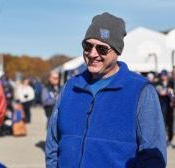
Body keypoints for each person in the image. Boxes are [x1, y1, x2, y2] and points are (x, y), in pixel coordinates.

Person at [45, 12, 167, 168]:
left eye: (102, 49)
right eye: (87, 46)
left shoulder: (140, 90)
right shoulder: (71, 87)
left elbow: (152, 155)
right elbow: (53, 142)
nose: (92, 54)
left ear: (117, 51)